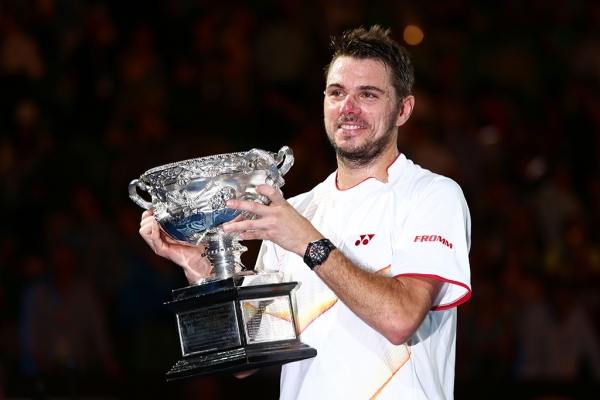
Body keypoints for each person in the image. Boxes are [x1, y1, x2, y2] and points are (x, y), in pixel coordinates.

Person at [140, 25, 471, 400]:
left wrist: (308, 242)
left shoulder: (432, 195)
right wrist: (201, 269)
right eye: (337, 93)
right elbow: (247, 358)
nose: (348, 107)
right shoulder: (293, 212)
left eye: (368, 94)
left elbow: (400, 320)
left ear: (403, 109)